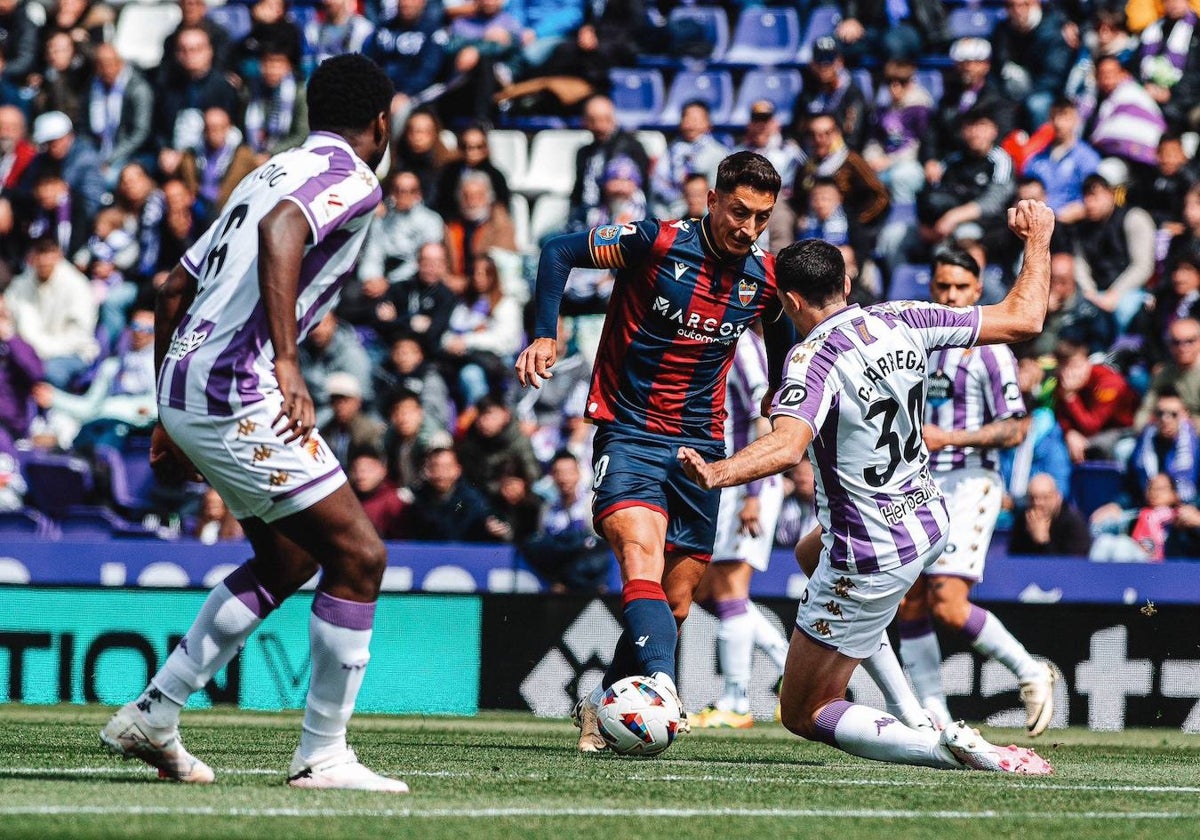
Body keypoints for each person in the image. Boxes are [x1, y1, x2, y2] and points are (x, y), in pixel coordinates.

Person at [99, 54, 410, 793]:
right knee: (359, 556)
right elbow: (281, 233)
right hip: (241, 387)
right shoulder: (353, 179)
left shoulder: (268, 168)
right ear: (381, 122)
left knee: (290, 561)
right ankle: (322, 754)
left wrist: (168, 415)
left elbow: (172, 286)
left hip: (190, 381)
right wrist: (287, 363)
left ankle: (156, 710)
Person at [677, 199, 1058, 774]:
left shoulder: (814, 359)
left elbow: (785, 446)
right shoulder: (905, 316)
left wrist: (718, 472)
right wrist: (1039, 239)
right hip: (926, 519)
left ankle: (942, 749)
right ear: (847, 281)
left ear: (791, 301)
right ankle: (915, 711)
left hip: (868, 549)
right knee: (810, 551)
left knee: (804, 711)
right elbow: (1025, 318)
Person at [515, 151, 784, 753]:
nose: (747, 227)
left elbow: (784, 346)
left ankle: (605, 703)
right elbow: (559, 251)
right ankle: (661, 686)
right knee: (640, 559)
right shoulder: (652, 242)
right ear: (712, 200)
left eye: (761, 217)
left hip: (701, 450)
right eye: (738, 211)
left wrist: (781, 396)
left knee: (678, 598)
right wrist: (544, 332)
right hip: (629, 431)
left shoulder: (763, 278)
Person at [893, 246, 1057, 734]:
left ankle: (1031, 672)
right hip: (919, 481)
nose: (951, 296)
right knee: (910, 600)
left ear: (978, 290)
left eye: (961, 288)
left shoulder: (991, 351)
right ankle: (934, 717)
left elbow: (1015, 428)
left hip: (970, 479)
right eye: (942, 286)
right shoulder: (918, 344)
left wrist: (952, 437)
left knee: (948, 601)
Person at [691, 328, 788, 730]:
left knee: (730, 590)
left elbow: (763, 417)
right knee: (701, 591)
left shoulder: (746, 346)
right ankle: (789, 665)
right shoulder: (723, 337)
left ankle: (735, 700)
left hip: (748, 482)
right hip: (727, 483)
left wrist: (752, 493)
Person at [1007, 472, 1091, 555]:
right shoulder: (1023, 520)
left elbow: (1074, 565)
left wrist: (1043, 541)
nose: (1037, 503)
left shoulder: (1074, 523)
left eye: (1045, 497)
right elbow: (1014, 558)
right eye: (1032, 498)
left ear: (1058, 498)